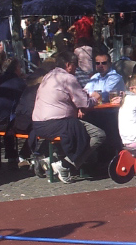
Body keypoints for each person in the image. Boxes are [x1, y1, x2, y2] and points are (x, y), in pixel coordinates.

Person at [31, 51, 105, 183]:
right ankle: (65, 165)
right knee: (99, 135)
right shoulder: (68, 78)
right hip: (57, 123)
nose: (76, 68)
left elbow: (63, 99)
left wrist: (78, 107)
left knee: (75, 129)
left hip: (38, 125)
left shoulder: (49, 76)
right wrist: (95, 98)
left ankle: (51, 160)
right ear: (68, 65)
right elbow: (85, 102)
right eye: (75, 65)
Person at [0, 57, 26, 168]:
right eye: (19, 67)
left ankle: (12, 156)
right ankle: (25, 155)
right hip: (7, 122)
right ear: (15, 69)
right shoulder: (19, 82)